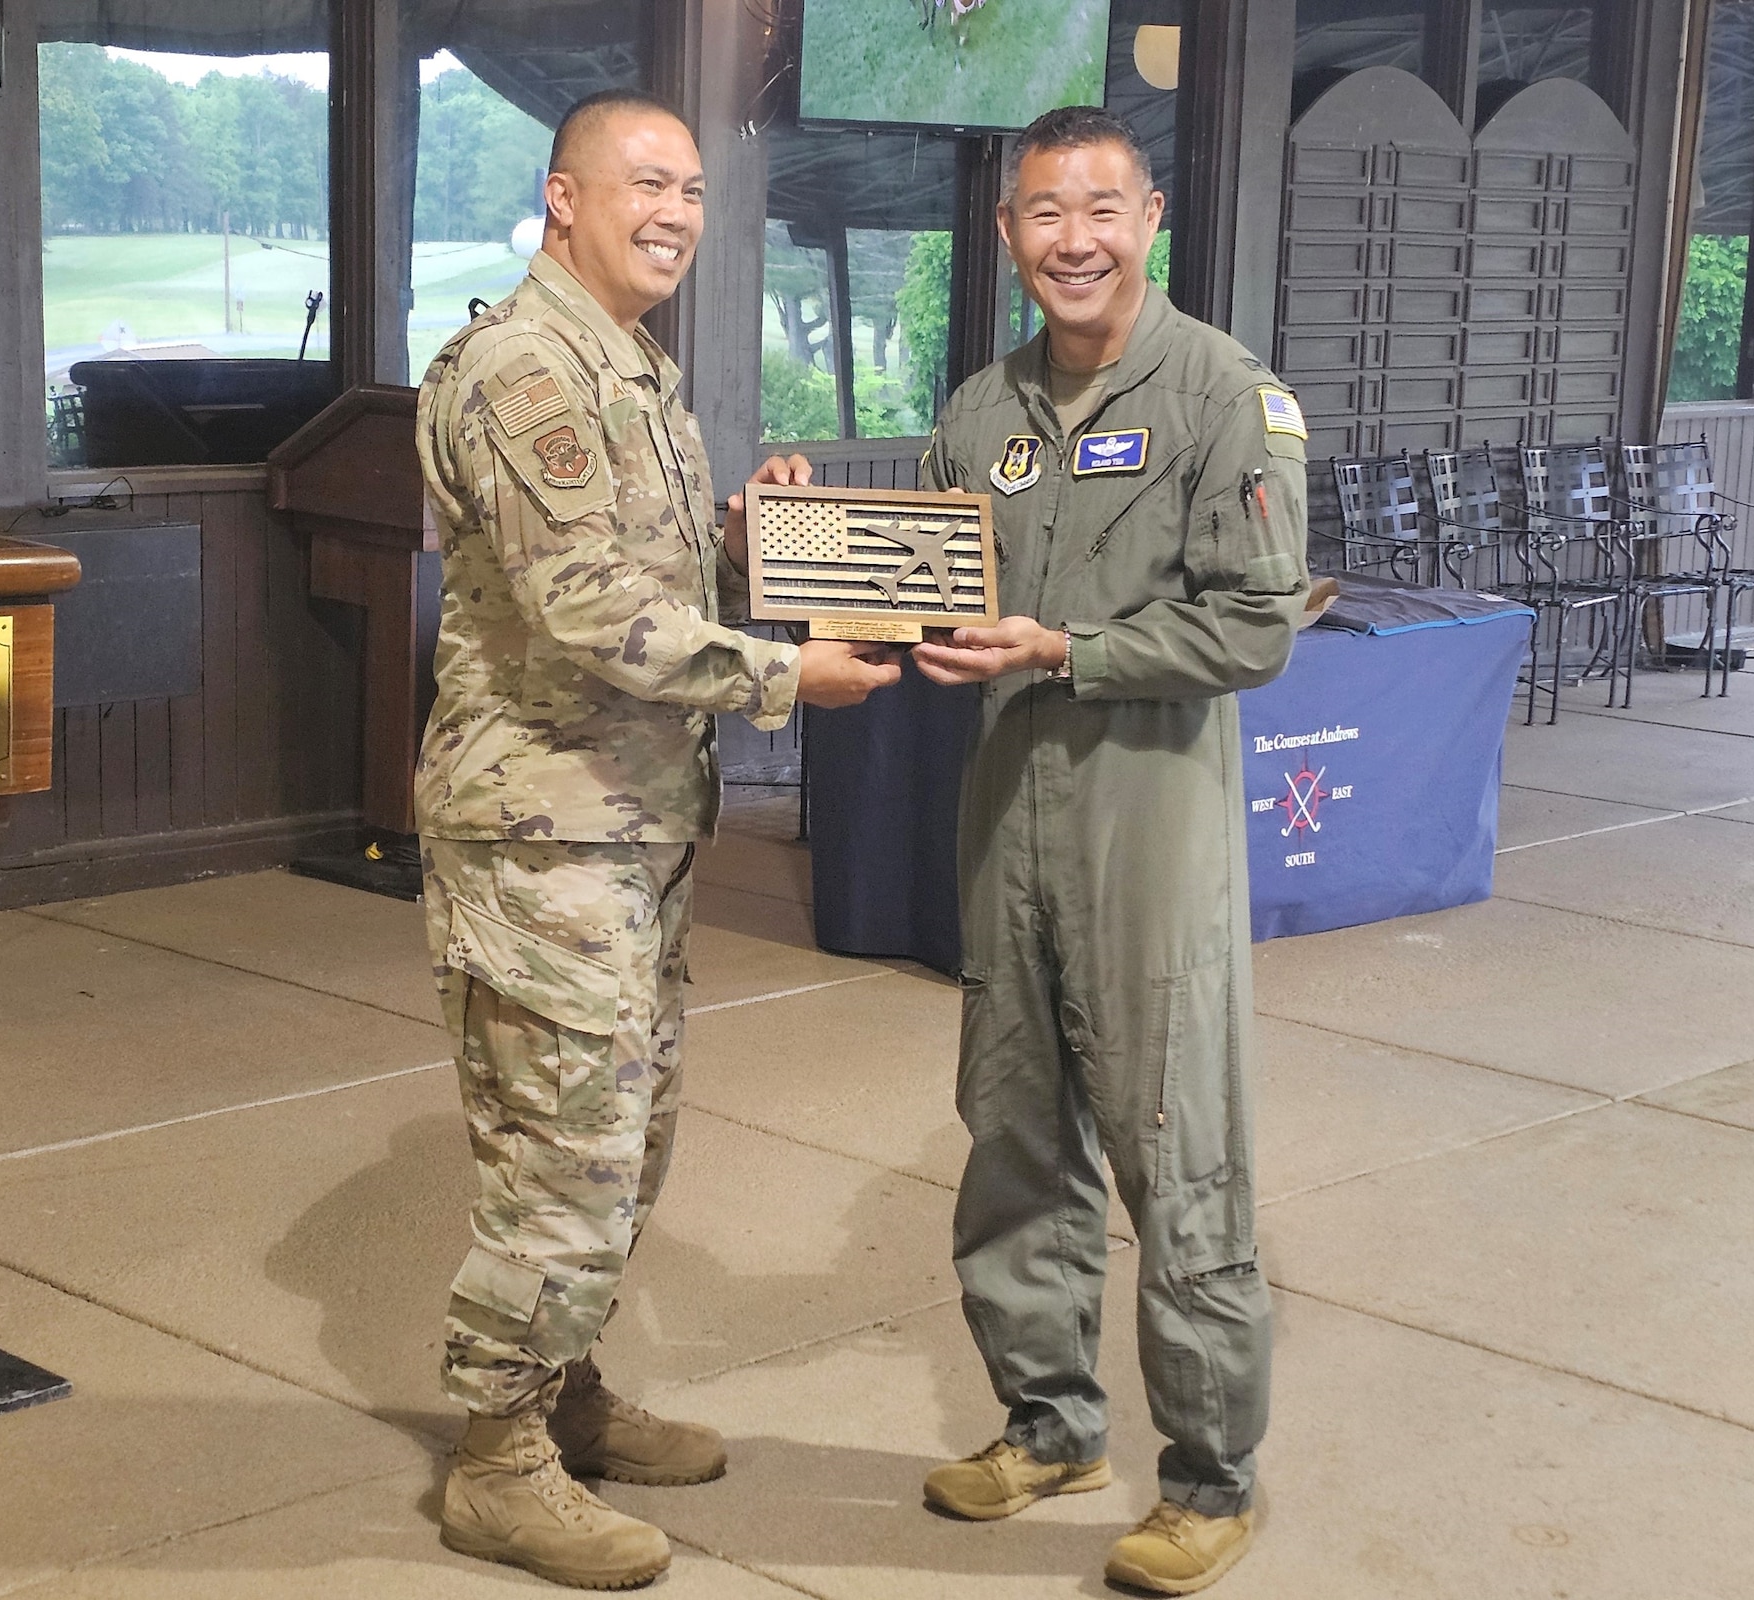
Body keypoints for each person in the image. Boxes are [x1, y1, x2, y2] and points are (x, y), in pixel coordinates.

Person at [414, 88, 898, 1590]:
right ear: (566, 199)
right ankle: (496, 1461)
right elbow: (582, 609)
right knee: (562, 1155)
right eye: (645, 183)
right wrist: (781, 675)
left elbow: (644, 566)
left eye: (691, 186)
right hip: (541, 835)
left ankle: (563, 1398)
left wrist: (762, 537)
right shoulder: (525, 368)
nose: (677, 210)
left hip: (624, 834)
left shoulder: (629, 367)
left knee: (628, 1144)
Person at [912, 105, 1309, 1596]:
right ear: (1009, 235)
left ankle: (1210, 1477)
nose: (1071, 239)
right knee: (1013, 1128)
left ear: (1150, 221)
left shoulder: (1225, 396)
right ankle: (1049, 1423)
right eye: (1041, 214)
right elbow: (933, 574)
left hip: (1150, 824)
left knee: (1175, 1148)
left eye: (1100, 209)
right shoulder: (979, 409)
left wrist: (1071, 648)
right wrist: (803, 547)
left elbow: (1257, 623)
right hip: (1007, 814)